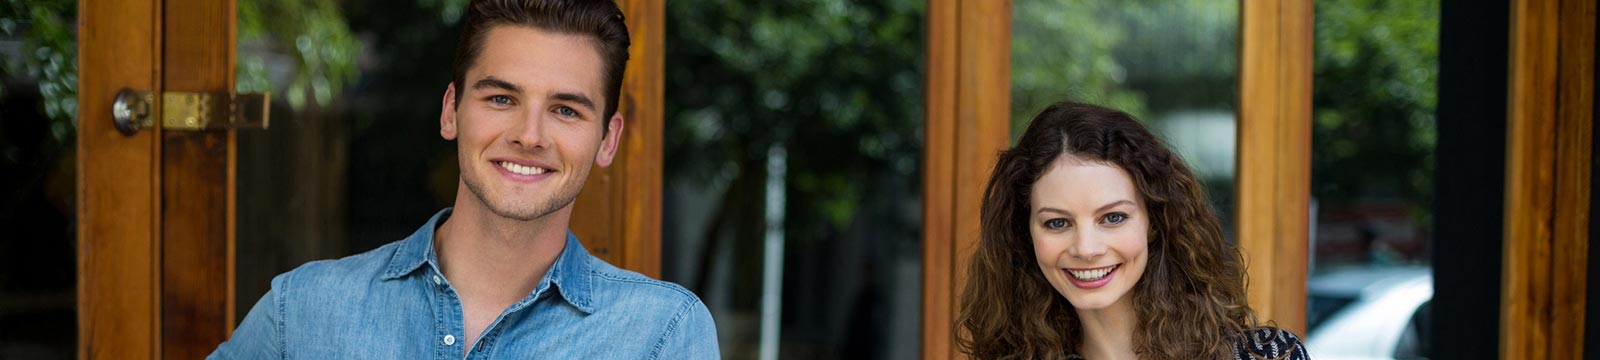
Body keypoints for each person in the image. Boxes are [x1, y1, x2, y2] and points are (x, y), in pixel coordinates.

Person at [210, 0, 718, 358]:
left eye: (565, 110)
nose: (529, 134)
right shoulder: (303, 310)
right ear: (451, 111)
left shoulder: (661, 334)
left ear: (608, 140)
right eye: (501, 99)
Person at [956, 102, 1308, 360]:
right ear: (1025, 234)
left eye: (1112, 218)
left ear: (1155, 222)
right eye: (1057, 222)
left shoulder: (1269, 355)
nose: (1086, 248)